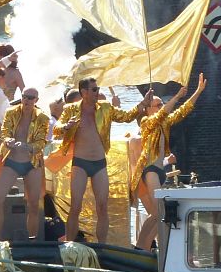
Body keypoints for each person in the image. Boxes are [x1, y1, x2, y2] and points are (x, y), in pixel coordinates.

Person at [55, 78, 153, 243]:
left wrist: (142, 103)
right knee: (75, 207)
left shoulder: (105, 108)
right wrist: (66, 127)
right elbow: (57, 129)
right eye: (94, 89)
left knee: (102, 207)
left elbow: (126, 117)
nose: (98, 92)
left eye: (98, 88)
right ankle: (70, 244)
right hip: (80, 162)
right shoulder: (70, 109)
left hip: (99, 163)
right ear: (84, 92)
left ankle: (102, 247)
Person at [131, 74, 206, 250]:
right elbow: (163, 114)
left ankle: (147, 246)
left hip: (160, 170)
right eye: (157, 105)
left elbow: (183, 111)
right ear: (148, 110)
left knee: (159, 213)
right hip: (150, 170)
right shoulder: (145, 122)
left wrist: (198, 91)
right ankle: (141, 247)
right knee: (157, 211)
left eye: (161, 104)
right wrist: (178, 96)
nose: (161, 107)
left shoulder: (164, 123)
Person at [0, 88, 51, 240]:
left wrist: (29, 147)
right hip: (12, 160)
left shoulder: (43, 117)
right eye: (24, 97)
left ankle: (32, 241)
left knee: (33, 204)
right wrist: (8, 140)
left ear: (36, 100)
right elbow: (5, 131)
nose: (27, 100)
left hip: (32, 163)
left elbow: (41, 141)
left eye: (31, 98)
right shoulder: (11, 112)